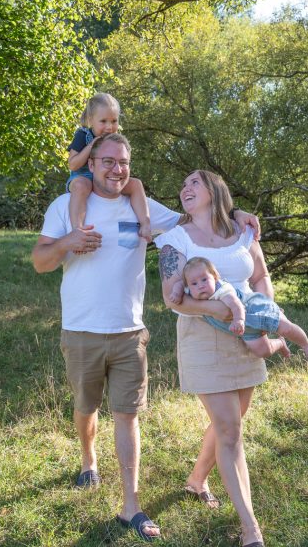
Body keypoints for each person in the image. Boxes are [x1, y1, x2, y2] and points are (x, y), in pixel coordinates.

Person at [32, 133, 261, 542]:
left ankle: (130, 507)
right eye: (108, 161)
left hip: (129, 331)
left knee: (128, 414)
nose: (116, 169)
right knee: (86, 407)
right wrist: (69, 242)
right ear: (92, 162)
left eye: (123, 162)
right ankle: (88, 460)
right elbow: (40, 262)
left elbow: (198, 218)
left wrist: (239, 211)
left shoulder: (145, 209)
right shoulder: (66, 206)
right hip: (81, 329)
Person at [155, 169, 287, 547]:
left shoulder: (244, 232)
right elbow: (172, 297)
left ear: (214, 190)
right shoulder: (174, 240)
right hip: (204, 334)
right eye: (182, 185)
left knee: (231, 420)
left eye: (193, 182)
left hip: (247, 331)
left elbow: (260, 275)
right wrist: (218, 310)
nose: (185, 188)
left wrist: (266, 309)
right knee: (230, 430)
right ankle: (251, 529)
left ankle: (196, 480)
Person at [173, 256, 308, 362]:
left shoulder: (223, 290)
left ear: (215, 278)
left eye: (205, 279)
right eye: (194, 283)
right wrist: (176, 291)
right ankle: (280, 343)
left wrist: (239, 320)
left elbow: (236, 305)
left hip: (254, 311)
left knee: (286, 328)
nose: (200, 285)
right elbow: (180, 283)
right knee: (262, 351)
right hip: (247, 329)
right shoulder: (190, 291)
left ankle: (306, 345)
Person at [66, 93, 152, 243]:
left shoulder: (114, 138)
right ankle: (77, 230)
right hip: (83, 177)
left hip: (106, 180)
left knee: (136, 184)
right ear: (91, 120)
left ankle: (145, 223)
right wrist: (91, 146)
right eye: (103, 121)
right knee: (81, 186)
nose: (109, 127)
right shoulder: (83, 135)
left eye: (114, 121)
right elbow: (73, 164)